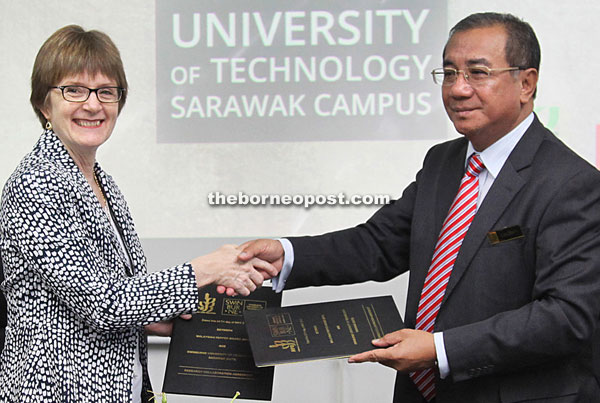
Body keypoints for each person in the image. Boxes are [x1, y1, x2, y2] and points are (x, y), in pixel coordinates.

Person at [237, 12, 600, 402]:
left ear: (526, 83)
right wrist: (286, 255)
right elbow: (377, 244)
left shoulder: (572, 183)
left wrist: (440, 350)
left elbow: (567, 317)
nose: (458, 89)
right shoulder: (442, 162)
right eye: (448, 72)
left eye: (478, 73)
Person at [0, 25, 276, 402]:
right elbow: (103, 303)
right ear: (44, 104)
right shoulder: (36, 183)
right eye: (74, 90)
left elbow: (104, 301)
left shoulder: (102, 183)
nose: (93, 104)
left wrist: (155, 318)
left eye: (106, 91)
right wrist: (209, 268)